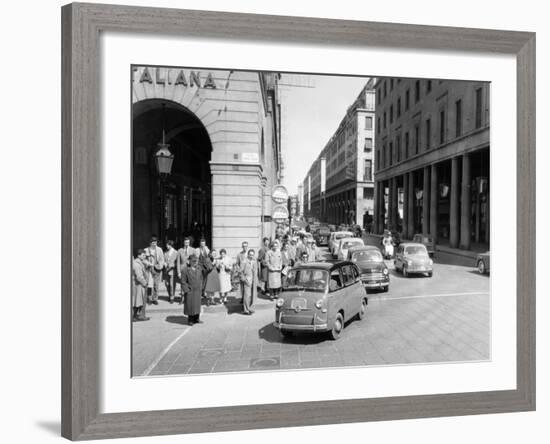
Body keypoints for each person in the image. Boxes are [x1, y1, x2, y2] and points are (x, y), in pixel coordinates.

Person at [180, 254, 204, 325]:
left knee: (197, 305)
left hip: (197, 290)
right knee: (190, 306)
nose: (195, 263)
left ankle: (197, 319)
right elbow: (183, 281)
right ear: (189, 261)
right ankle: (190, 320)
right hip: (190, 290)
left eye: (196, 261)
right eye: (193, 261)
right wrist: (186, 290)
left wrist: (201, 287)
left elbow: (201, 278)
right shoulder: (185, 270)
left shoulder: (199, 268)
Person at [144, 236, 165, 305]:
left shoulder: (159, 249)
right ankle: (149, 298)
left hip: (157, 269)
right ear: (150, 243)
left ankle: (155, 298)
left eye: (155, 243)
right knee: (149, 285)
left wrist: (160, 266)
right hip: (149, 269)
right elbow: (143, 260)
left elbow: (162, 259)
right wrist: (149, 264)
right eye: (153, 243)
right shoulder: (146, 250)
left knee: (156, 285)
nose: (154, 244)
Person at [132, 249, 150, 321]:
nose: (145, 256)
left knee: (138, 301)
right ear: (139, 255)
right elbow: (139, 276)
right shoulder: (136, 264)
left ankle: (136, 316)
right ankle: (138, 316)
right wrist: (145, 283)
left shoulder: (140, 262)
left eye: (145, 255)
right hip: (139, 285)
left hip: (139, 285)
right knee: (138, 301)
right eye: (143, 255)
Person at [176, 237, 195, 304]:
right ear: (183, 243)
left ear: (189, 243)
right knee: (183, 284)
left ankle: (189, 299)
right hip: (182, 270)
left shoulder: (193, 250)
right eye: (185, 242)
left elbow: (195, 261)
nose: (186, 243)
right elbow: (178, 262)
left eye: (188, 242)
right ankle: (182, 299)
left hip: (190, 270)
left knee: (190, 284)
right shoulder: (180, 250)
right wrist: (178, 272)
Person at [240, 249, 258, 315]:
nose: (251, 256)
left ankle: (249, 308)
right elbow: (240, 272)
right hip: (247, 280)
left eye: (252, 255)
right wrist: (244, 279)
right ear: (248, 255)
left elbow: (256, 271)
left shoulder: (254, 261)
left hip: (253, 280)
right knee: (246, 296)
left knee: (251, 295)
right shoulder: (244, 261)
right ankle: (246, 310)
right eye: (250, 255)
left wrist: (256, 280)